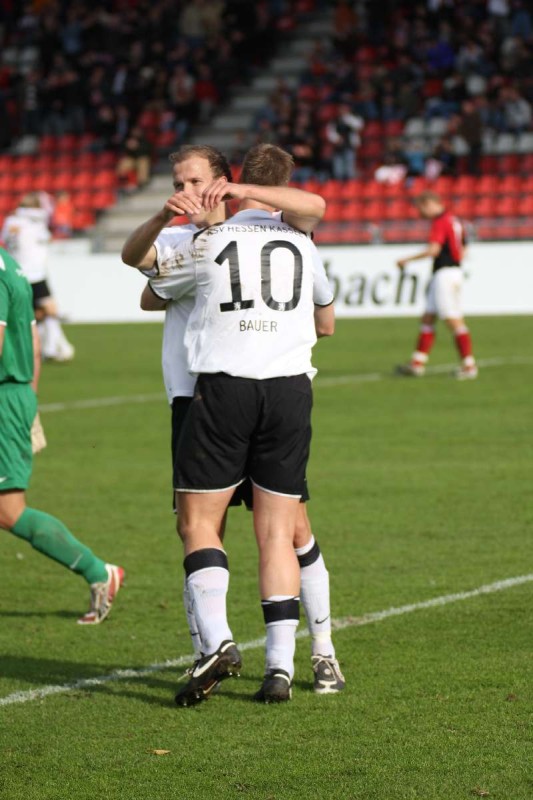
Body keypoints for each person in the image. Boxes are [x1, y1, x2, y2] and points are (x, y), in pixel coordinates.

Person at [122, 144, 344, 700]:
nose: (187, 187)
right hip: (275, 390)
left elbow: (151, 292)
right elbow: (327, 320)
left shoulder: (206, 244)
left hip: (218, 392)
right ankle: (274, 663)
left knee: (219, 524)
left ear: (226, 181)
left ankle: (300, 652)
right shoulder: (300, 241)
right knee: (272, 529)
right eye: (179, 179)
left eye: (195, 178)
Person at [0, 245, 124, 625]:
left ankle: (98, 571)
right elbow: (35, 345)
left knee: (8, 509)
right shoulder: (11, 264)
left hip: (4, 395)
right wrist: (28, 400)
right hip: (15, 393)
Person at [395, 191, 478, 380]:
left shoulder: (440, 221)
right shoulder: (454, 220)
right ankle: (417, 363)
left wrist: (406, 260)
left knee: (452, 319)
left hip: (445, 273)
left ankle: (469, 365)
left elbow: (434, 250)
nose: (420, 214)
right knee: (428, 318)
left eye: (420, 210)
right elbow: (464, 247)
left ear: (428, 204)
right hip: (452, 271)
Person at [1, 193, 75, 362]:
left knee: (36, 313)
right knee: (51, 309)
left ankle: (42, 347)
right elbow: (48, 237)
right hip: (35, 273)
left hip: (17, 272)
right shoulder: (34, 223)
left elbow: (5, 240)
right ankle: (53, 348)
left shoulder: (10, 222)